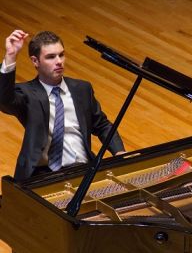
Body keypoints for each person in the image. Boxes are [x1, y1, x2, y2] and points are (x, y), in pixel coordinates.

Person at [0, 29, 125, 181]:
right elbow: (5, 101)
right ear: (35, 61)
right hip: (41, 175)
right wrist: (11, 56)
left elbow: (102, 125)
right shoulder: (26, 93)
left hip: (82, 170)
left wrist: (119, 151)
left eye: (61, 54)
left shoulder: (82, 89)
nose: (59, 61)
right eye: (51, 57)